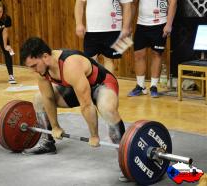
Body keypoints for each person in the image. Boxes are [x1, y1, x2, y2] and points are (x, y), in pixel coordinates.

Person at [20, 37, 127, 181]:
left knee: (107, 109)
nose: (33, 70)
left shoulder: (70, 64)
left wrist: (94, 135)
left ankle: (126, 159)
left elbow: (87, 105)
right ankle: (47, 142)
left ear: (45, 56)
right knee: (39, 98)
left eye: (33, 65)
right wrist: (55, 127)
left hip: (101, 84)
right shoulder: (42, 71)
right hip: (76, 88)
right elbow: (48, 98)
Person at [128, 0, 177, 98]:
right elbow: (133, 4)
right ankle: (140, 86)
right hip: (141, 24)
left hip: (159, 24)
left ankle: (153, 86)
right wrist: (128, 24)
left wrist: (169, 24)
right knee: (138, 55)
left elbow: (173, 3)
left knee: (156, 55)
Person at [74, 0, 133, 75]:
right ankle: (94, 85)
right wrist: (78, 24)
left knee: (109, 59)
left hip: (113, 29)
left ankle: (108, 85)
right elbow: (79, 2)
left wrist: (125, 27)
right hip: (92, 29)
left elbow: (127, 5)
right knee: (90, 61)